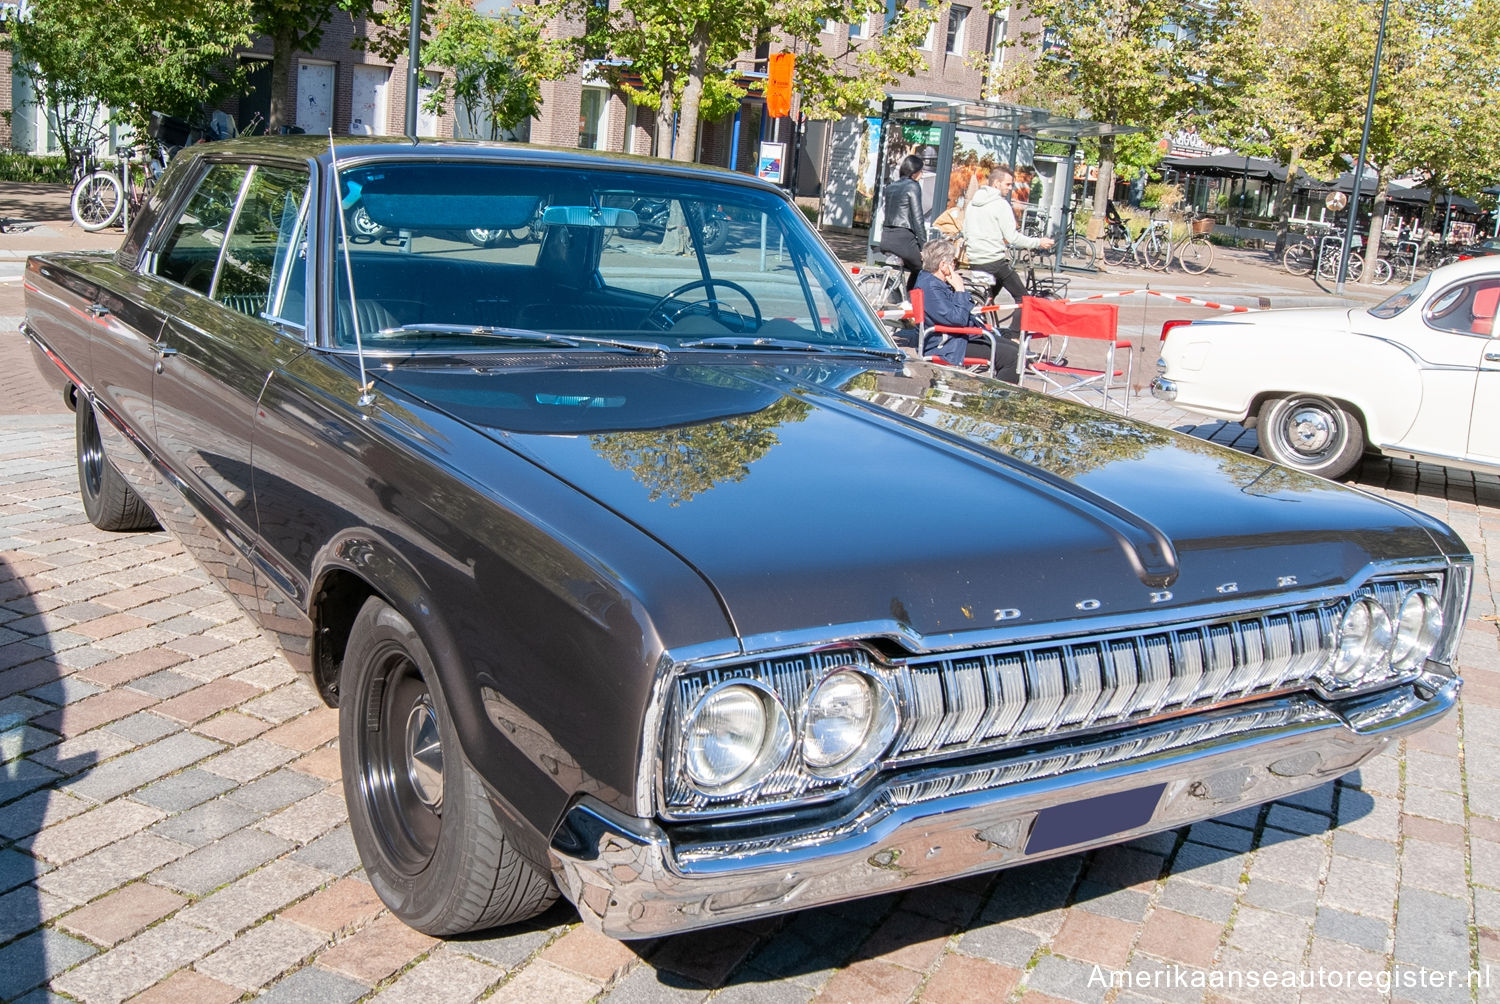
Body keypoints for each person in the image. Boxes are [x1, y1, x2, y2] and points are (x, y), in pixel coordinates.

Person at [912, 239, 1020, 382]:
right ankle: (999, 400)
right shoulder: (931, 287)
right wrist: (960, 289)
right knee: (1012, 358)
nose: (955, 265)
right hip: (947, 344)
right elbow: (957, 319)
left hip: (955, 337)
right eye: (953, 262)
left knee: (1017, 350)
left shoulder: (932, 282)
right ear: (943, 265)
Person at [963, 166, 1054, 307]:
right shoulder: (1001, 205)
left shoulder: (972, 204)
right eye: (1008, 184)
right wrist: (1038, 242)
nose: (1010, 188)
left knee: (990, 296)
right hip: (993, 260)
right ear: (996, 183)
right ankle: (1015, 330)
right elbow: (1013, 238)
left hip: (975, 260)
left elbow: (965, 231)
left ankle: (985, 313)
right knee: (1023, 299)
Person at [878, 154, 927, 292]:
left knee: (912, 266)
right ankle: (911, 300)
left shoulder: (891, 186)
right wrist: (924, 247)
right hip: (903, 239)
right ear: (914, 171)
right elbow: (918, 219)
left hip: (886, 238)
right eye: (921, 171)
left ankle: (902, 295)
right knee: (924, 266)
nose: (922, 175)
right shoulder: (913, 186)